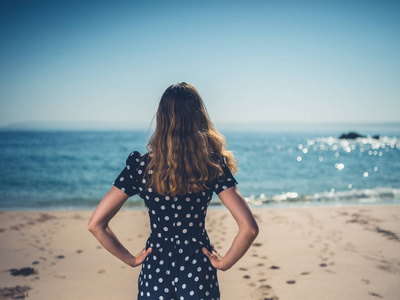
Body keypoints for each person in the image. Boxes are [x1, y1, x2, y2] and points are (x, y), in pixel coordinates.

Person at [87, 82, 259, 300]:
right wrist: (224, 263)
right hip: (198, 272)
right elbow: (249, 228)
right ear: (198, 118)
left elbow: (96, 224)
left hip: (155, 273)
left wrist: (130, 259)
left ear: (161, 118)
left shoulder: (140, 167)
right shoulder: (211, 165)